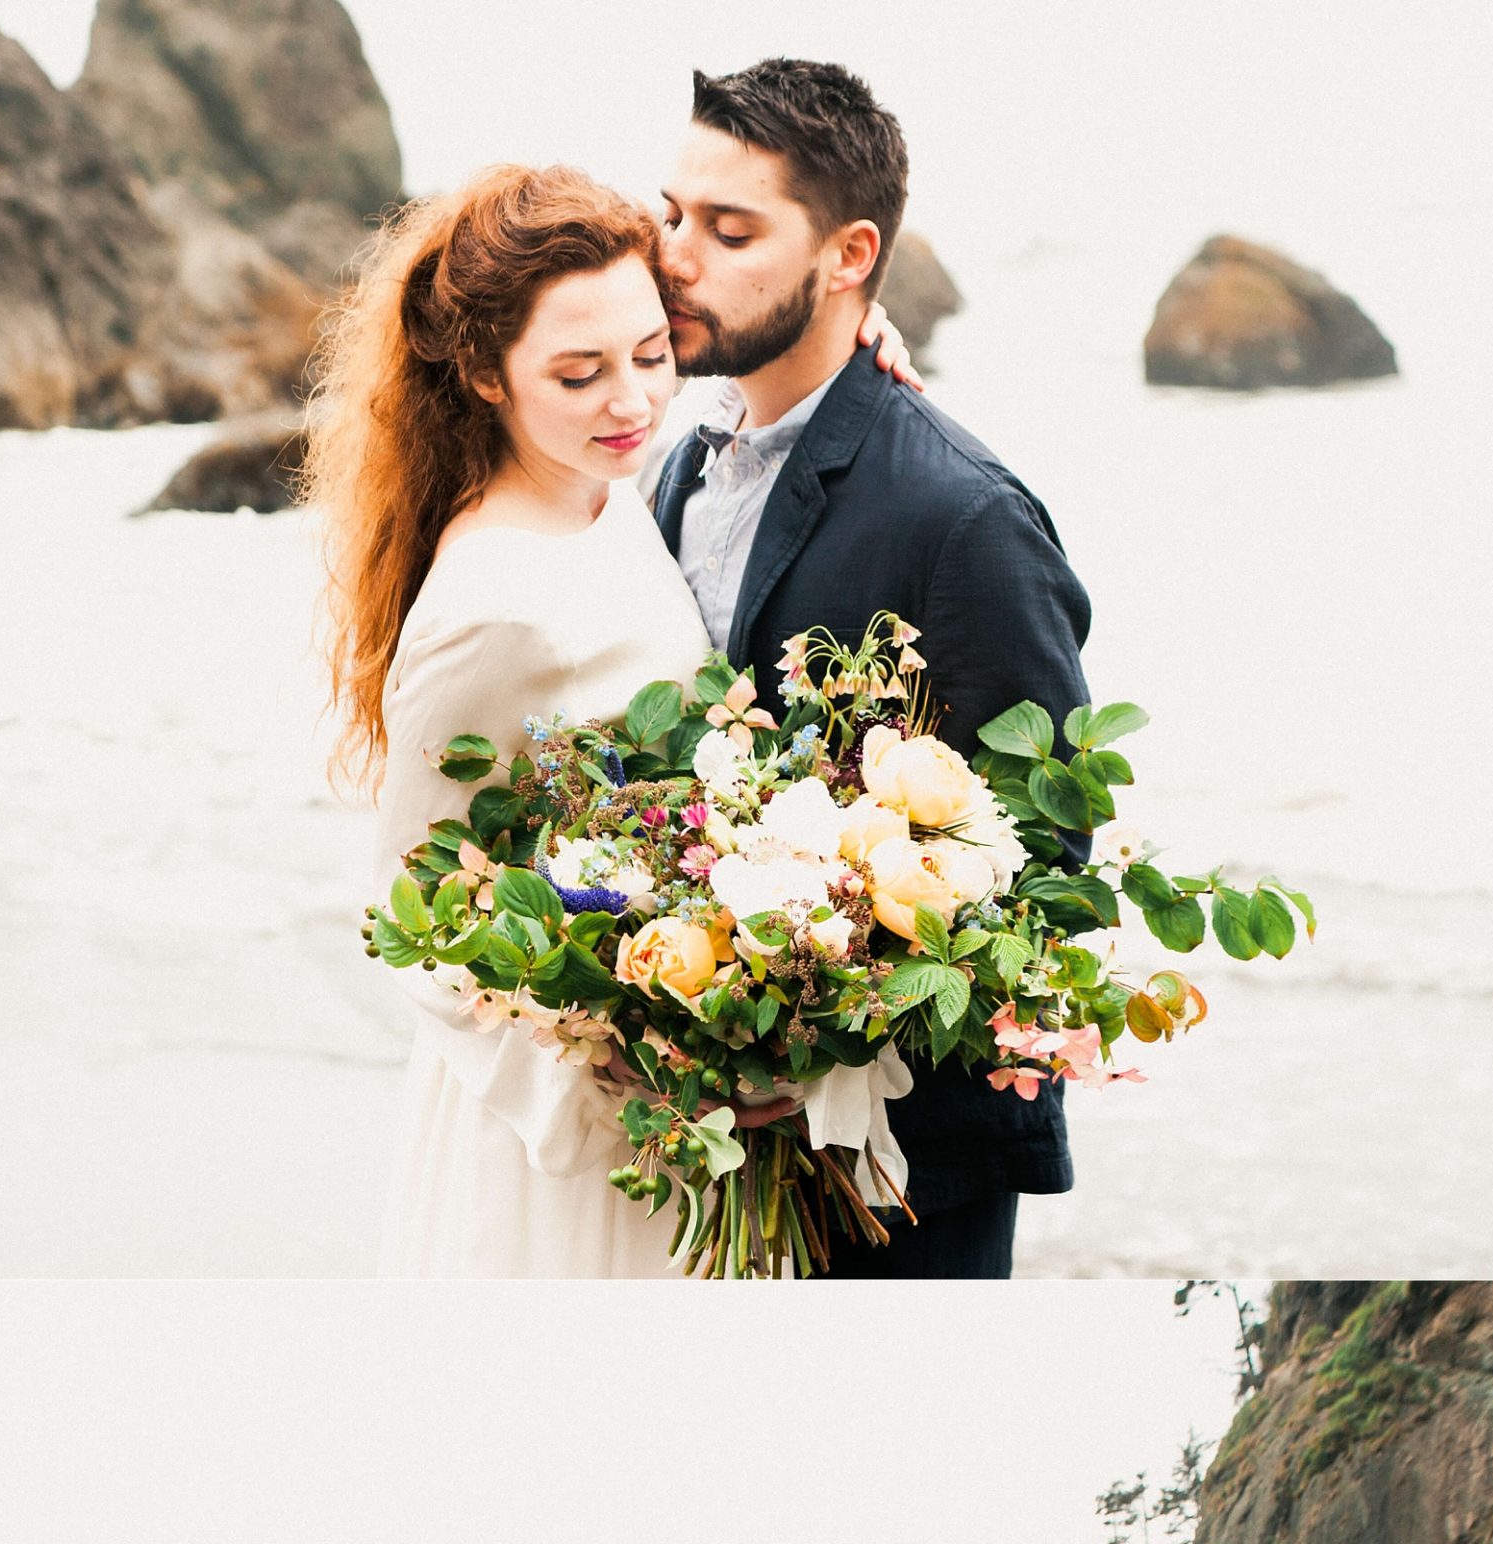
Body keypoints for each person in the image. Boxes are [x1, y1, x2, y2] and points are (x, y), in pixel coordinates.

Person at [306, 165, 914, 1279]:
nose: (632, 402)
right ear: (485, 374)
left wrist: (862, 340)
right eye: (578, 374)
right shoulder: (488, 606)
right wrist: (619, 1089)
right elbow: (413, 911)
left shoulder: (609, 484)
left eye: (651, 354)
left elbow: (752, 407)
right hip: (575, 1153)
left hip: (692, 1114)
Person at [655, 59, 1096, 1281]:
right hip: (706, 1173)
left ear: (849, 256)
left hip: (901, 1187)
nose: (675, 255)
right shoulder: (677, 473)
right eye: (674, 215)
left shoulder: (965, 521)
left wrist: (822, 1062)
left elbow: (1046, 867)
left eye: (730, 230)